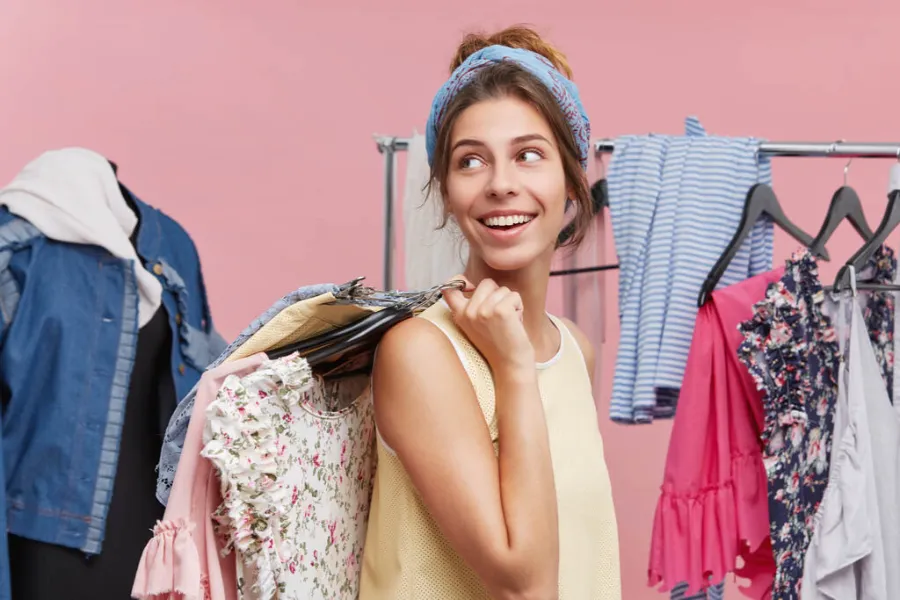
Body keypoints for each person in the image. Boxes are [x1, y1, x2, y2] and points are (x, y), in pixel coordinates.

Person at [359, 25, 621, 600]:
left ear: (572, 182)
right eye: (471, 162)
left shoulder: (577, 350)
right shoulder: (419, 353)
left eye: (529, 155)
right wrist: (514, 367)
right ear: (447, 193)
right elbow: (525, 585)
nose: (502, 185)